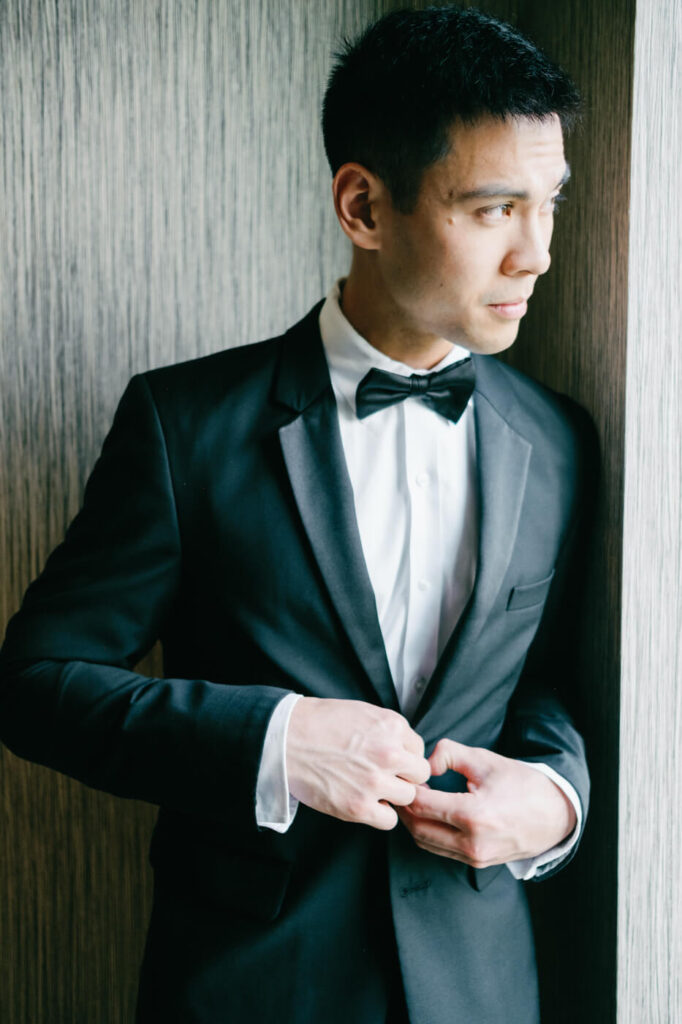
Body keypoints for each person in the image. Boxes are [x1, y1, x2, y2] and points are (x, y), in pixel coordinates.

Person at [0, 6, 598, 1023]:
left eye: (548, 203)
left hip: (480, 987)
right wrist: (274, 741)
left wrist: (555, 799)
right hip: (250, 983)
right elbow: (36, 684)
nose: (536, 253)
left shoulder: (561, 439)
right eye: (494, 208)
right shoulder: (183, 424)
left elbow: (543, 681)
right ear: (364, 207)